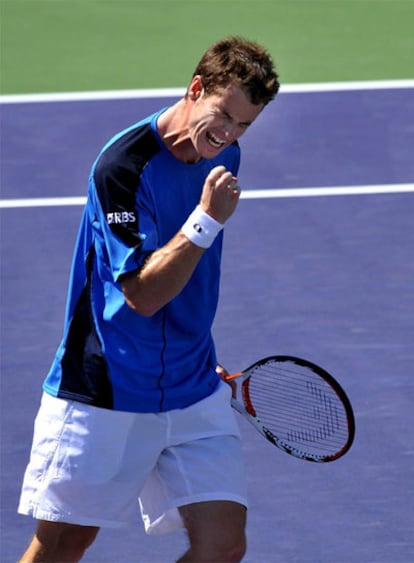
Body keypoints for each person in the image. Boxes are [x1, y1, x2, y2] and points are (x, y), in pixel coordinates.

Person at [18, 36, 279, 562]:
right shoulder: (122, 166)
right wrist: (205, 221)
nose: (229, 134)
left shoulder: (226, 154)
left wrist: (184, 356)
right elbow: (141, 295)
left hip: (191, 385)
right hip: (106, 389)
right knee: (63, 545)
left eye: (244, 125)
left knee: (222, 548)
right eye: (223, 114)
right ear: (196, 87)